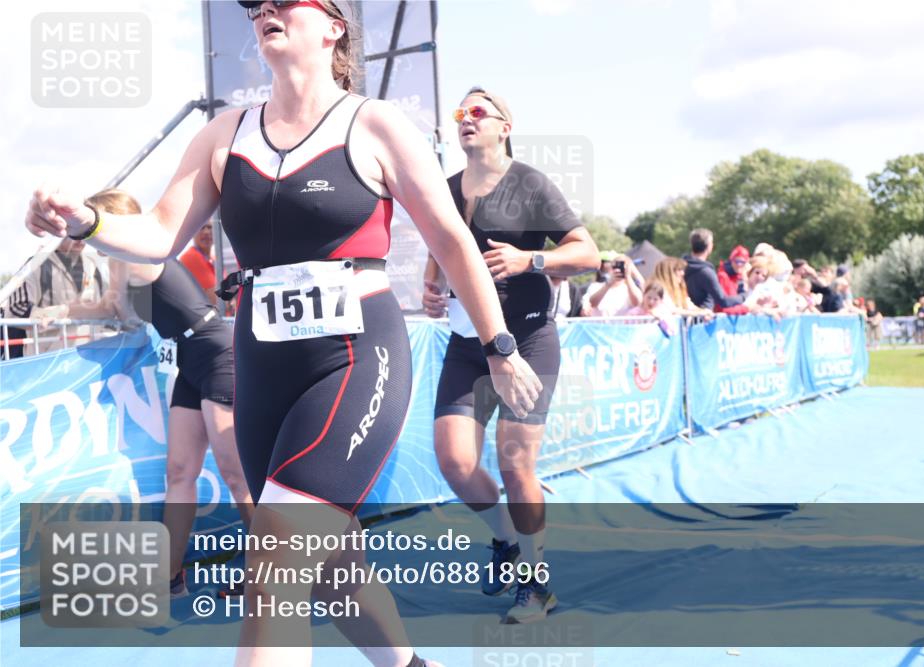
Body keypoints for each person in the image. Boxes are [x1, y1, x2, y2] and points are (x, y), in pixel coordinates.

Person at [25, 2, 542, 665]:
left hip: (355, 359)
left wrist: (500, 346)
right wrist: (84, 220)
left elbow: (452, 240)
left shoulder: (376, 124)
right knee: (329, 561)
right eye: (254, 4)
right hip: (261, 370)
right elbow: (156, 235)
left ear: (334, 26)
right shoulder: (222, 136)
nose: (264, 8)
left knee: (275, 554)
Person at [422, 86, 599, 624]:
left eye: (478, 112)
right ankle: (506, 539)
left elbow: (587, 253)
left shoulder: (530, 184)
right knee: (455, 462)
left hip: (527, 341)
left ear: (505, 125)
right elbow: (441, 249)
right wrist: (430, 288)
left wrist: (530, 261)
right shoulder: (445, 188)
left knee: (516, 462)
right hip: (468, 342)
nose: (466, 120)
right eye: (460, 113)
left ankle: (536, 582)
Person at [85, 189, 253, 599]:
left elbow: (113, 307)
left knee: (237, 477)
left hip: (216, 357)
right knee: (179, 472)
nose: (86, 233)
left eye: (92, 222)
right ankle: (170, 574)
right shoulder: (129, 264)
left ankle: (273, 571)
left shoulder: (135, 258)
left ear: (112, 224)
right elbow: (116, 309)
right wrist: (52, 312)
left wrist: (59, 311)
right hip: (191, 364)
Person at [3, 236, 109, 356]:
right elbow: (15, 310)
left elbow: (106, 309)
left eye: (82, 232)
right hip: (46, 362)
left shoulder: (92, 266)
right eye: (72, 232)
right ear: (57, 231)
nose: (79, 238)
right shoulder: (36, 263)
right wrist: (56, 313)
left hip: (86, 361)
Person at [683, 229, 745, 311]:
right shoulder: (706, 272)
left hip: (686, 317)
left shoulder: (681, 267)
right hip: (703, 318)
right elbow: (722, 300)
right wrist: (743, 297)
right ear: (709, 246)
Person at [179, 222, 219, 306]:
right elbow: (216, 300)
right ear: (192, 232)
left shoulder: (213, 259)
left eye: (210, 227)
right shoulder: (190, 257)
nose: (206, 232)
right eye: (201, 227)